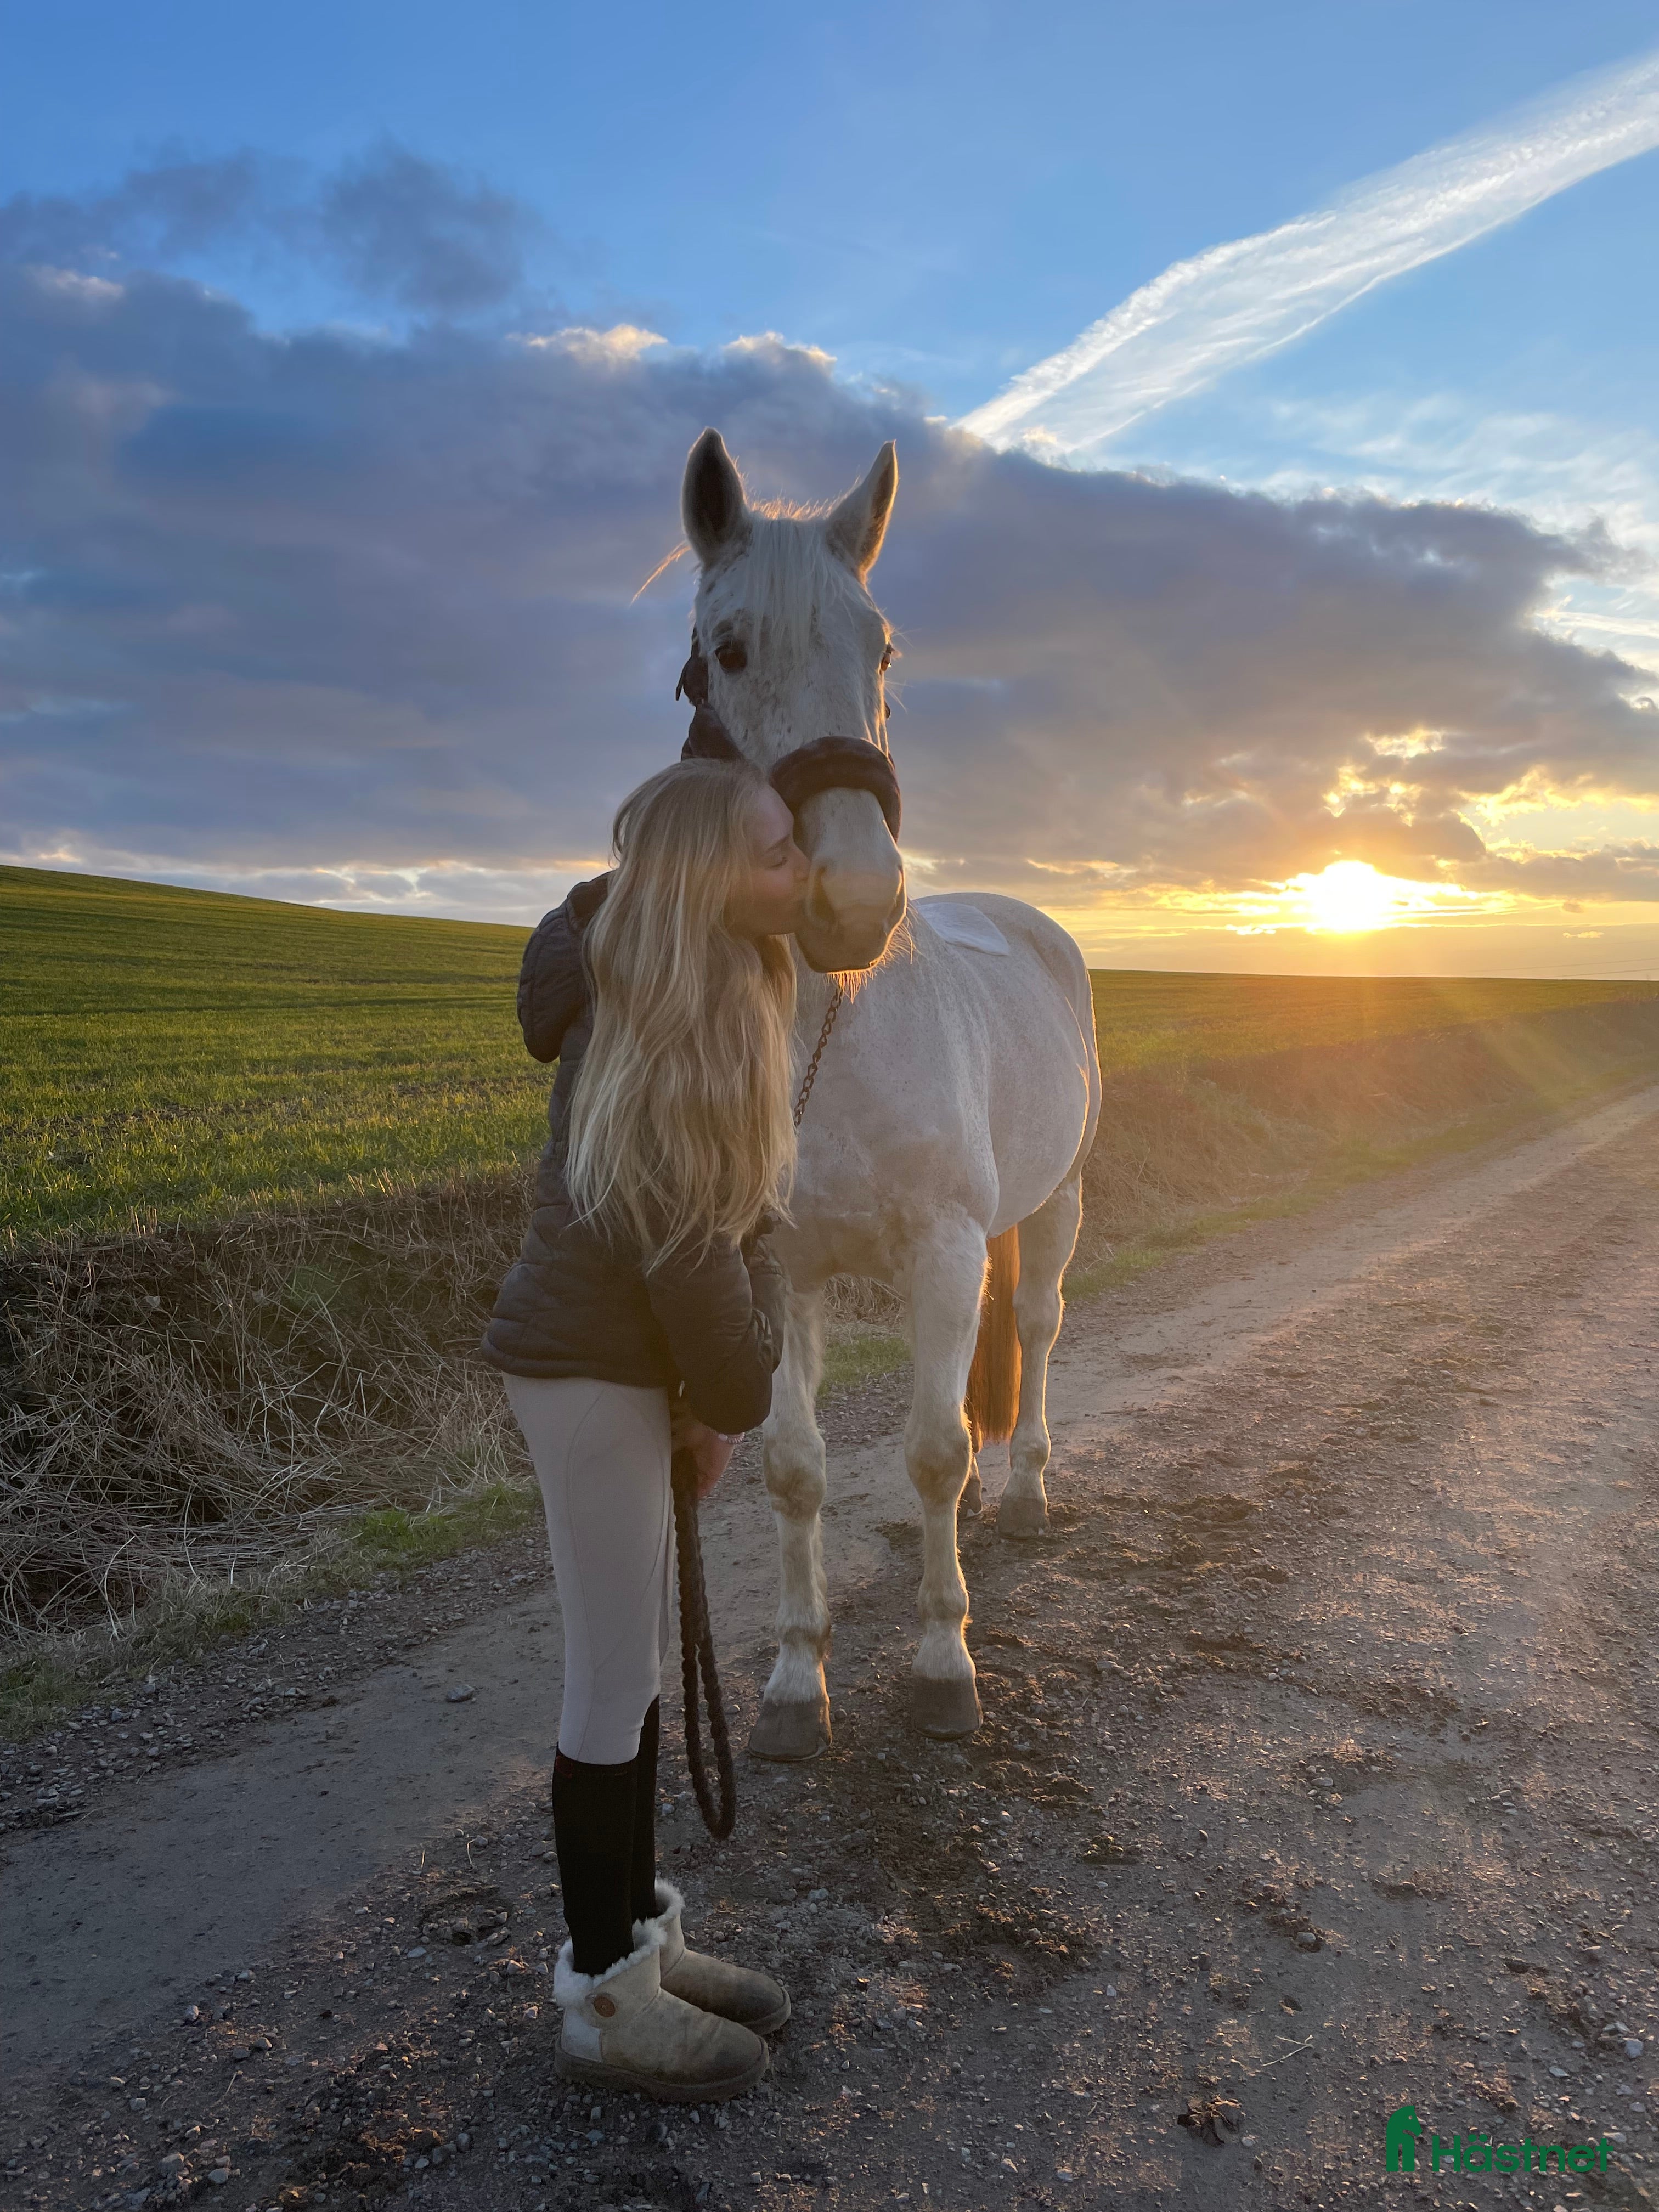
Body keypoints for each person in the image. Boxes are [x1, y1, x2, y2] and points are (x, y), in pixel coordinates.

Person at [481, 755, 809, 2103]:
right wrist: (719, 1398)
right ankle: (606, 2003)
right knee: (607, 1689)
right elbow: (721, 1292)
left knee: (635, 1676)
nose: (804, 872)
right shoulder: (677, 1031)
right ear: (713, 882)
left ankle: (638, 1950)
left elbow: (714, 1254)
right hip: (588, 1372)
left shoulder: (701, 991)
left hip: (619, 1368)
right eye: (780, 850)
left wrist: (704, 1384)